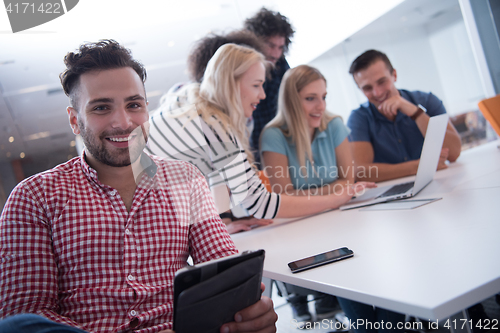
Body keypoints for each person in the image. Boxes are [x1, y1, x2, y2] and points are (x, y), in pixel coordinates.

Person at [0, 39, 277, 333]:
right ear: (74, 121)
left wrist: (247, 313)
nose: (123, 122)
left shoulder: (187, 179)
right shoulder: (35, 197)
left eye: (134, 104)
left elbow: (227, 275)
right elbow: (26, 315)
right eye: (101, 108)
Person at [146, 44, 372, 230]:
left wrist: (223, 222)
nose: (262, 95)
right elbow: (261, 204)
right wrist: (337, 198)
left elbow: (213, 174)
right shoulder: (214, 127)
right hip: (145, 223)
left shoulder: (191, 103)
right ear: (230, 84)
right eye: (256, 85)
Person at [259, 65, 377, 324]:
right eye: (311, 98)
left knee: (371, 277)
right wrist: (335, 191)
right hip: (303, 229)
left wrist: (308, 194)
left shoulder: (334, 124)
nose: (320, 106)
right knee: (350, 283)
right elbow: (282, 196)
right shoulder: (274, 135)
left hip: (342, 218)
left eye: (323, 97)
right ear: (291, 100)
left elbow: (348, 179)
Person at [347, 49, 462, 183]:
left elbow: (454, 153)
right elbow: (360, 172)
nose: (377, 93)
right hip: (394, 192)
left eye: (382, 82)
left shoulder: (428, 101)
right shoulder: (359, 118)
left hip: (439, 181)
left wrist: (416, 113)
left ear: (394, 75)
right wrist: (419, 166)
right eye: (367, 88)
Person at [244, 7, 295, 167]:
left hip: (279, 141)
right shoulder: (244, 68)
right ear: (256, 42)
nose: (275, 54)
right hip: (250, 143)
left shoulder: (282, 66)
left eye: (280, 47)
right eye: (270, 46)